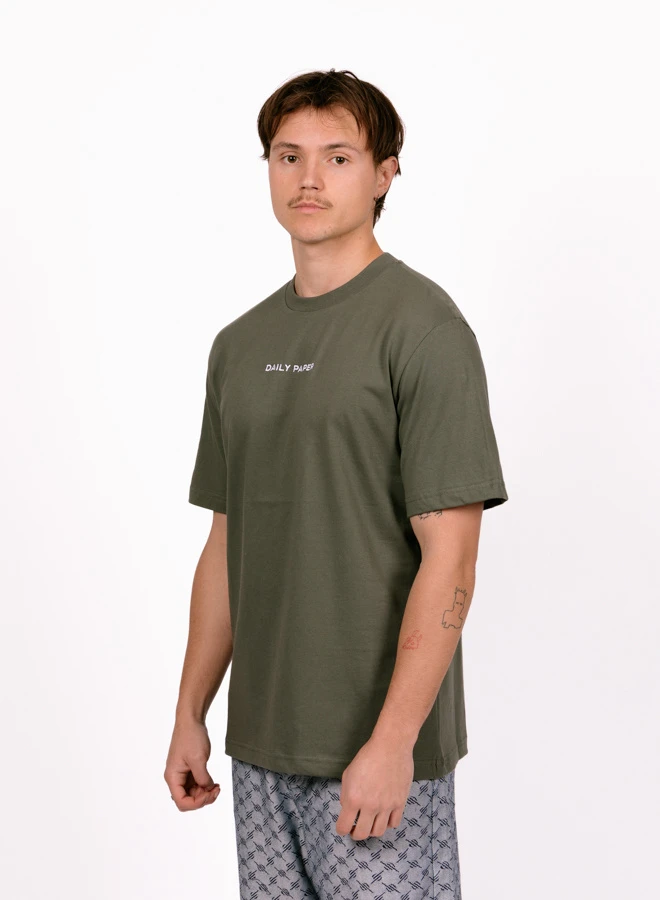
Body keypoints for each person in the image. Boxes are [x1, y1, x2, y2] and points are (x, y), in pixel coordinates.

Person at [164, 68, 509, 899]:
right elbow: (226, 544)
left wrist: (394, 743)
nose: (308, 178)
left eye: (338, 157)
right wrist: (190, 712)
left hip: (376, 753)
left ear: (385, 173)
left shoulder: (424, 328)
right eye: (288, 156)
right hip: (260, 747)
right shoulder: (238, 345)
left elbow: (452, 558)